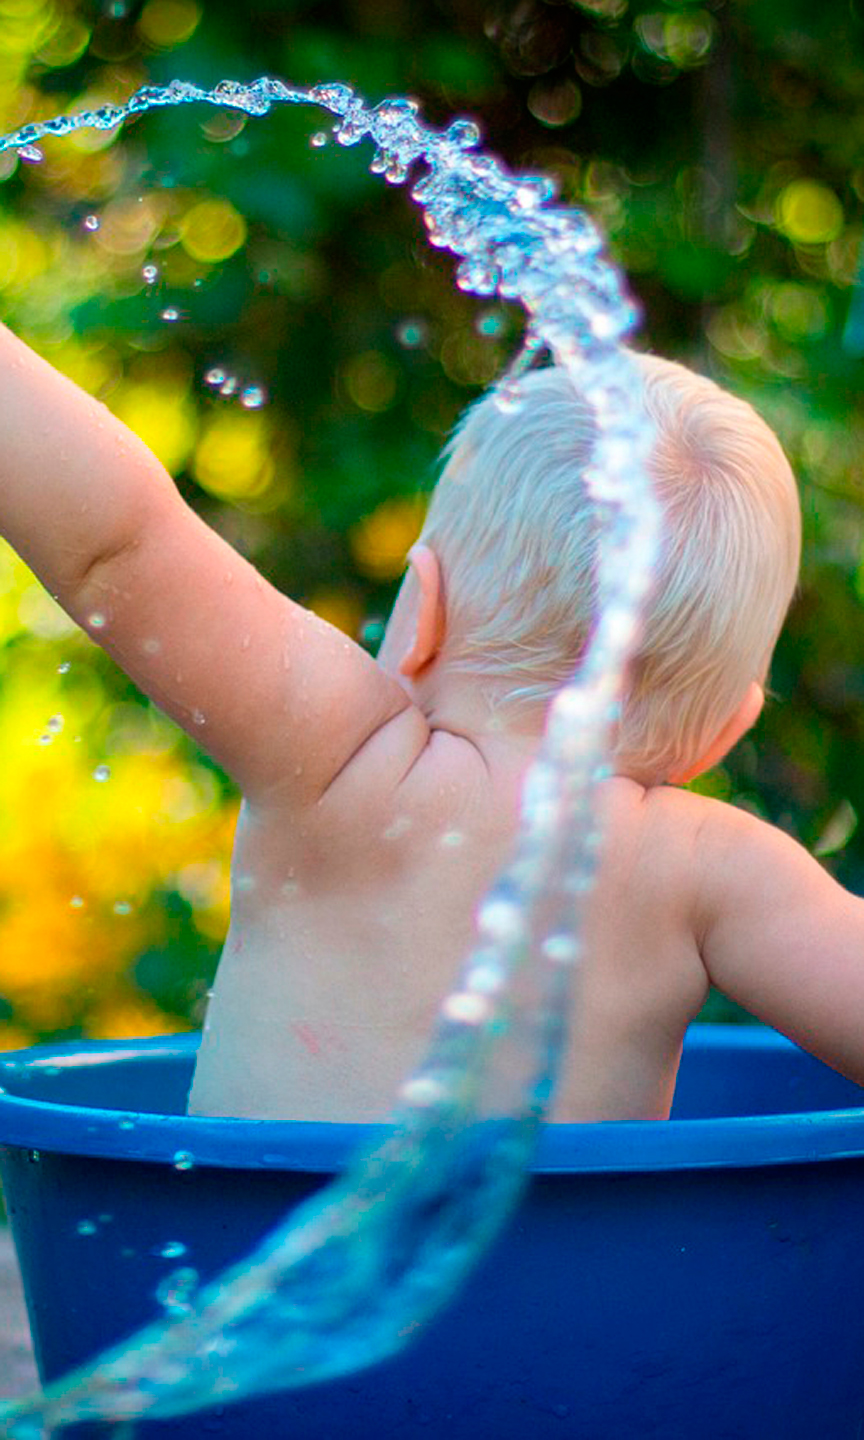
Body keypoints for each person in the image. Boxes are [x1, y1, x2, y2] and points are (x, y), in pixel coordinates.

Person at [0, 325, 858, 1125]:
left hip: (246, 1268)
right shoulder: (714, 872)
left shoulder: (340, 759)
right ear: (728, 728)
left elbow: (123, 543)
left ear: (421, 612)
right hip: (578, 1291)